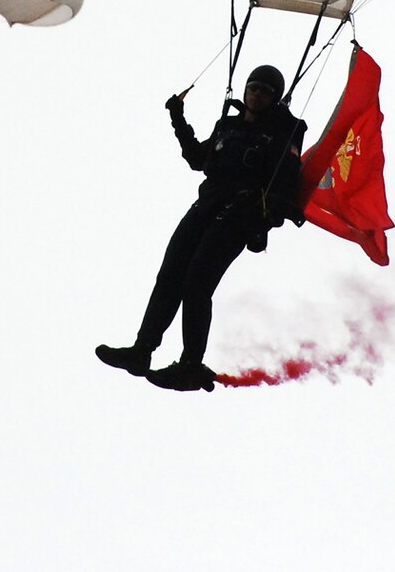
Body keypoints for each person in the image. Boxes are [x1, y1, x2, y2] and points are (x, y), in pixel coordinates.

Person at [96, 64, 310, 391]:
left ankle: (190, 365)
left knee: (197, 281)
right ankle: (142, 351)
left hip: (240, 213)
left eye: (265, 91)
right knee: (170, 276)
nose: (256, 94)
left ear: (275, 99)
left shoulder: (280, 136)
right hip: (206, 206)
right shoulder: (228, 126)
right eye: (253, 87)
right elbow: (198, 158)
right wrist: (178, 118)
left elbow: (286, 186)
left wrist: (267, 219)